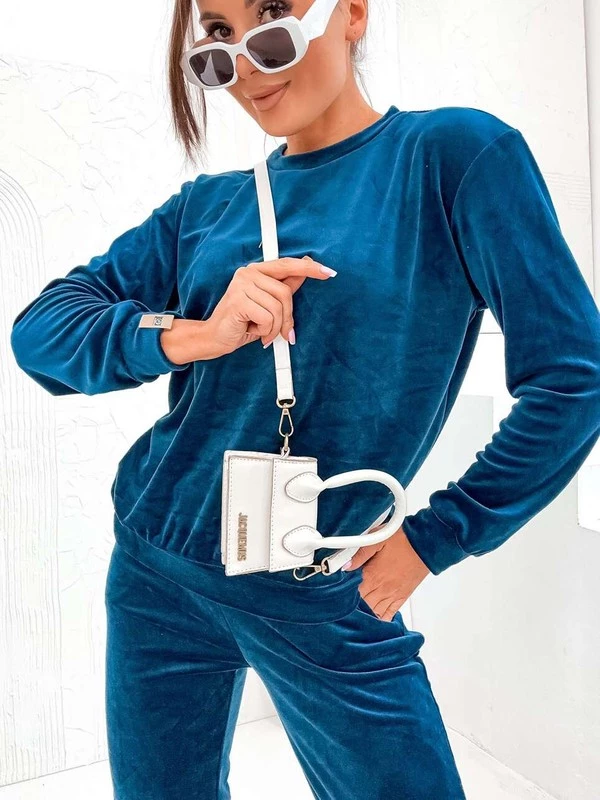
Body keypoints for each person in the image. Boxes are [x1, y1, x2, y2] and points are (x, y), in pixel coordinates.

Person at [10, 0, 600, 797]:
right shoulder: (208, 207)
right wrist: (192, 333)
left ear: (351, 12)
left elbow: (572, 377)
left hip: (319, 587)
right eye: (219, 41)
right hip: (157, 571)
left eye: (273, 21)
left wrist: (433, 540)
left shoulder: (451, 157)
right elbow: (40, 331)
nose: (247, 66)